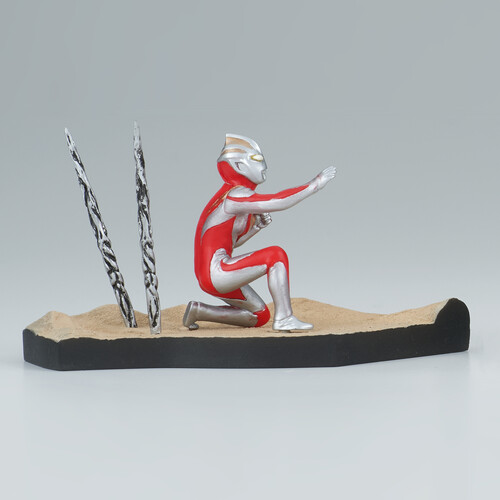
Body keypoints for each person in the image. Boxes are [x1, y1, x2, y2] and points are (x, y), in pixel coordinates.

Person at [183, 133, 336, 331]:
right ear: (239, 166)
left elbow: (228, 242)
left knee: (259, 316)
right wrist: (315, 184)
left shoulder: (227, 196)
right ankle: (284, 318)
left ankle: (199, 311)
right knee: (276, 255)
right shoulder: (236, 195)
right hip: (216, 273)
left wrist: (255, 228)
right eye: (257, 159)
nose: (264, 166)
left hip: (211, 273)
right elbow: (278, 201)